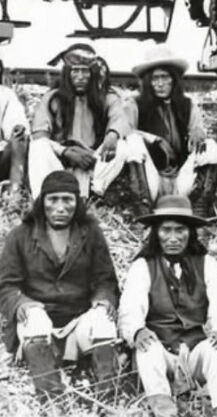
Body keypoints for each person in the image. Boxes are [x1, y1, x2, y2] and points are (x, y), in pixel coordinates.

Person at [0, 171, 120, 400]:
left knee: (103, 320)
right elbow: (6, 286)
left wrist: (103, 300)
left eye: (67, 199)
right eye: (53, 199)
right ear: (42, 201)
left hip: (79, 318)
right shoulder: (20, 236)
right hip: (39, 320)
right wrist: (22, 303)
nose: (60, 207)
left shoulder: (91, 234)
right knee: (35, 319)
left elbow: (106, 279)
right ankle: (52, 398)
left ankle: (109, 395)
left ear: (77, 202)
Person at [119, 195, 217, 417]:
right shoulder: (143, 266)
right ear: (156, 233)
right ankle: (164, 410)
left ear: (190, 233)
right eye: (166, 230)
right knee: (147, 349)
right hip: (163, 351)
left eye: (180, 230)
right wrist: (136, 331)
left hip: (194, 352)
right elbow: (130, 307)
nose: (173, 238)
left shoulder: (207, 264)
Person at [125, 45, 217, 218]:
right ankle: (143, 212)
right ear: (148, 81)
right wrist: (153, 139)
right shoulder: (135, 105)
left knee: (211, 146)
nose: (160, 84)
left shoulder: (187, 105)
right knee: (133, 142)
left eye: (164, 77)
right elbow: (125, 132)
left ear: (173, 80)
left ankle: (199, 211)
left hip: (181, 177)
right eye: (155, 78)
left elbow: (197, 130)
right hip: (151, 177)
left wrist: (199, 132)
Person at [28, 44, 129, 199]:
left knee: (122, 145)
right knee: (38, 146)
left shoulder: (107, 97)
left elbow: (119, 119)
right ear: (67, 74)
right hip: (62, 160)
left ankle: (96, 190)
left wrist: (112, 135)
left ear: (93, 73)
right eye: (75, 71)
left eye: (85, 71)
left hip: (94, 160)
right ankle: (44, 196)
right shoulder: (52, 98)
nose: (80, 77)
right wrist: (66, 152)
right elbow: (40, 135)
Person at [0, 59, 30, 213]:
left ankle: (15, 189)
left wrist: (16, 128)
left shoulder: (5, 94)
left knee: (19, 136)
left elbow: (16, 124)